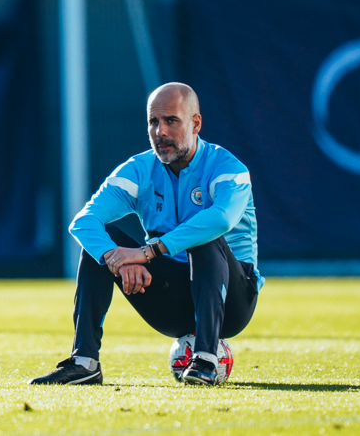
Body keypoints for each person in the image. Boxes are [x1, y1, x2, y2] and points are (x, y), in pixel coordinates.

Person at [29, 83, 262, 386]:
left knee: (203, 238)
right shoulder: (140, 169)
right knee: (100, 244)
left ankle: (205, 357)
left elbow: (221, 218)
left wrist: (147, 252)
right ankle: (85, 362)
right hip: (170, 299)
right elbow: (83, 221)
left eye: (171, 121)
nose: (160, 131)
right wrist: (118, 260)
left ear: (196, 123)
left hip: (231, 300)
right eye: (153, 121)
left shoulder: (228, 168)